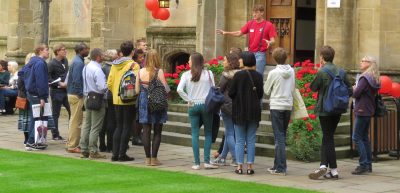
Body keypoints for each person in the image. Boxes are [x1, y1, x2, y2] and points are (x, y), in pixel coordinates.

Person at [308, 45, 352, 180]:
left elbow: (313, 88)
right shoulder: (341, 71)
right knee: (328, 136)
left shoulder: (322, 72)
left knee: (328, 137)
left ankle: (333, 169)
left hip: (325, 109)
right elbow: (350, 90)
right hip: (338, 109)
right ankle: (324, 166)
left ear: (322, 57)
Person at [177, 52, 218, 170]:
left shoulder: (185, 75)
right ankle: (206, 161)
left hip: (193, 105)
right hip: (206, 105)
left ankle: (196, 163)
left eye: (189, 60)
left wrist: (188, 100)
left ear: (194, 61)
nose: (188, 62)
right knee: (208, 133)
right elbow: (213, 89)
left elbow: (179, 90)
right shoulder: (208, 73)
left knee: (195, 133)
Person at [229, 51, 263, 175]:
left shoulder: (238, 75)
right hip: (253, 111)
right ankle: (250, 167)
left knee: (239, 140)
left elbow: (231, 93)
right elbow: (260, 94)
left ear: (245, 60)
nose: (239, 61)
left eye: (241, 59)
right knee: (251, 140)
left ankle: (239, 166)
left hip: (240, 111)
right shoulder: (259, 76)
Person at [216, 4, 276, 75]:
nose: (254, 14)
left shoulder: (268, 25)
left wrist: (270, 42)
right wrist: (226, 32)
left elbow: (273, 40)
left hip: (260, 54)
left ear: (262, 13)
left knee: (258, 75)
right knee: (247, 75)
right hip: (249, 54)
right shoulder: (250, 23)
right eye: (253, 12)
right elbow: (239, 33)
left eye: (256, 12)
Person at [264, 48, 295, 176]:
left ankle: (281, 167)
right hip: (288, 105)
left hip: (277, 105)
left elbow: (266, 90)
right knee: (281, 136)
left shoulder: (273, 73)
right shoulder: (292, 71)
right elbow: (293, 87)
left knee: (279, 137)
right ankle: (277, 165)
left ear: (275, 59)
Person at [107, 41, 140, 162]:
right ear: (132, 52)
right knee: (126, 127)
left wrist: (116, 91)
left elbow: (109, 83)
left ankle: (115, 154)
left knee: (118, 126)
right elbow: (136, 82)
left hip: (116, 99)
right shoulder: (134, 65)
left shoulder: (114, 64)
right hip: (128, 99)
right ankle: (122, 154)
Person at [135, 49, 169, 166]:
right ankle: (154, 158)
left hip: (144, 100)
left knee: (146, 130)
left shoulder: (140, 71)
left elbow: (137, 90)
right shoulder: (159, 71)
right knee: (158, 130)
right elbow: (165, 88)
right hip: (157, 101)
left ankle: (147, 158)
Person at [351, 56, 380, 175]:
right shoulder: (374, 77)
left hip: (362, 110)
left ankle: (363, 164)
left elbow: (356, 93)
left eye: (363, 61)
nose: (361, 62)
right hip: (369, 110)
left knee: (356, 137)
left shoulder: (364, 78)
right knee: (364, 137)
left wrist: (354, 88)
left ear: (369, 63)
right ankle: (368, 164)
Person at [211, 53, 240, 166]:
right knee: (230, 132)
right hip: (238, 106)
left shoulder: (226, 75)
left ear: (230, 62)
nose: (223, 62)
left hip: (227, 105)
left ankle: (235, 159)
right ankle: (222, 157)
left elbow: (220, 89)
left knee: (229, 133)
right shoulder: (242, 74)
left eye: (225, 60)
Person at [79, 48, 108, 159]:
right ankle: (93, 150)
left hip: (87, 96)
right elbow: (101, 87)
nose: (104, 57)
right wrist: (108, 86)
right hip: (97, 98)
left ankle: (84, 149)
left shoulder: (86, 67)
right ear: (98, 57)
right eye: (103, 55)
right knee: (95, 126)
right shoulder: (97, 69)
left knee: (87, 125)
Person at [24, 44, 50, 150]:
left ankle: (35, 142)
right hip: (37, 95)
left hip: (32, 93)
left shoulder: (32, 62)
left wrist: (29, 85)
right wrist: (42, 97)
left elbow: (22, 74)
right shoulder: (39, 63)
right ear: (40, 51)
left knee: (35, 118)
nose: (48, 52)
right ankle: (31, 142)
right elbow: (40, 81)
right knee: (40, 118)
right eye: (47, 50)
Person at [66, 43, 90, 153]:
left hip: (72, 93)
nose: (88, 50)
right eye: (86, 49)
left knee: (73, 121)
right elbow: (76, 80)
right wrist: (80, 93)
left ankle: (70, 143)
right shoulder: (79, 62)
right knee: (76, 122)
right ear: (81, 50)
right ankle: (72, 146)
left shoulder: (77, 60)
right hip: (76, 95)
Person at [48, 43, 70, 140]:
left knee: (72, 111)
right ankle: (55, 134)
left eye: (65, 49)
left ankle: (71, 132)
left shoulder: (65, 61)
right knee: (55, 114)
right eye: (63, 50)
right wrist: (58, 84)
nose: (65, 51)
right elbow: (48, 79)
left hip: (66, 91)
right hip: (56, 91)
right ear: (57, 52)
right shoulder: (51, 64)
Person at [99, 49, 119, 152]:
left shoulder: (102, 67)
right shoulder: (112, 68)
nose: (118, 55)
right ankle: (110, 145)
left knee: (103, 122)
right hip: (110, 96)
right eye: (116, 54)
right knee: (111, 121)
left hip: (104, 96)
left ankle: (102, 144)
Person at [131, 48, 146, 146]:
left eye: (143, 57)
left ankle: (137, 136)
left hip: (138, 94)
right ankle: (136, 137)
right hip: (137, 94)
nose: (142, 59)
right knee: (137, 118)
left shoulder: (139, 66)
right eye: (140, 57)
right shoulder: (136, 66)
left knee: (138, 117)